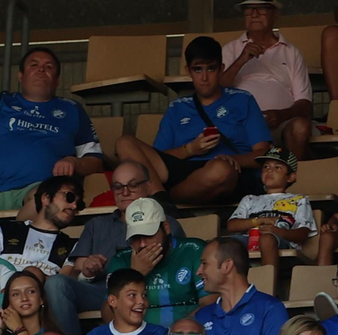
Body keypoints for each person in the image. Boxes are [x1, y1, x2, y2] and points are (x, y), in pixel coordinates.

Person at [0, 47, 101, 221]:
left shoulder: (72, 110)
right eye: (34, 64)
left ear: (57, 80)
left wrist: (73, 162)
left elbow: (95, 162)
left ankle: (13, 240)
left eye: (49, 66)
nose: (41, 69)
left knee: (48, 199)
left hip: (38, 189)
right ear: (20, 76)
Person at [113, 36, 271, 207]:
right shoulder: (177, 107)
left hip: (228, 172)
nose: (204, 77)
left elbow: (264, 153)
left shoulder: (243, 100)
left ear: (221, 69)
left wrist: (235, 160)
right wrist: (190, 149)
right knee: (124, 143)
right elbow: (156, 161)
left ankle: (165, 202)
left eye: (211, 69)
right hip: (182, 170)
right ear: (188, 71)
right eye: (197, 70)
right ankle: (161, 198)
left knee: (221, 169)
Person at [44, 163, 184, 328]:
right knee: (56, 283)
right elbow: (75, 274)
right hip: (101, 290)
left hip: (149, 287)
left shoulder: (165, 225)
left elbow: (176, 269)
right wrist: (87, 273)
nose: (125, 192)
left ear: (148, 187)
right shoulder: (96, 225)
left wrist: (134, 274)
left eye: (132, 185)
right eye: (118, 187)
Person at [220, 0, 315, 160]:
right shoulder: (230, 50)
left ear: (275, 14)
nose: (254, 14)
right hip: (241, 123)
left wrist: (280, 115)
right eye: (249, 9)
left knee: (301, 127)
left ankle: (293, 179)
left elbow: (304, 104)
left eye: (261, 8)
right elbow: (217, 89)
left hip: (281, 124)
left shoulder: (291, 51)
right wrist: (241, 60)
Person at [193, 237, 289, 335]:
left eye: (204, 264)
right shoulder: (202, 316)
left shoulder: (269, 308)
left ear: (227, 266)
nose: (199, 271)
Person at [102, 197, 209, 328]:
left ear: (166, 227)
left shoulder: (194, 250)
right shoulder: (121, 260)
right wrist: (134, 275)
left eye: (148, 235)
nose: (142, 244)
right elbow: (108, 317)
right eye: (135, 237)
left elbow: (210, 303)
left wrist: (178, 333)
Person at [226, 146, 327, 268]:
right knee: (221, 244)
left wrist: (276, 231)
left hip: (280, 241)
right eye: (266, 167)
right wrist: (260, 221)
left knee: (267, 239)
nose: (269, 170)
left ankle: (267, 282)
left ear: (291, 177)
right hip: (249, 239)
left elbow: (302, 234)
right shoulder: (250, 199)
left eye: (277, 167)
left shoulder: (299, 200)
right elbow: (232, 225)